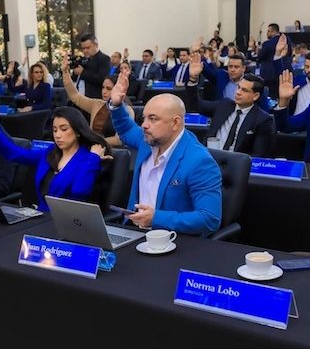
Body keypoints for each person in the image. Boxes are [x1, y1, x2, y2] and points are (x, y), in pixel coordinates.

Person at [108, 69, 222, 235]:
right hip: (134, 232)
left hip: (172, 240)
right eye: (144, 118)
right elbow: (127, 130)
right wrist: (116, 104)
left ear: (175, 123)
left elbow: (209, 219)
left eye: (153, 119)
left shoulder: (199, 161)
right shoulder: (148, 140)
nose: (144, 125)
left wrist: (156, 218)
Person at [0, 96, 108, 211]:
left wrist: (94, 158)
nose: (58, 135)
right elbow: (15, 153)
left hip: (68, 220)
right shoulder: (50, 153)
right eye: (55, 130)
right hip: (41, 215)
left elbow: (79, 191)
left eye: (64, 129)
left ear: (78, 131)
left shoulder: (88, 158)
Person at [185, 56, 274, 157]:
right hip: (209, 158)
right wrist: (193, 79)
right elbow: (195, 105)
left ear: (256, 96)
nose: (238, 92)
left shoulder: (262, 120)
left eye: (244, 90)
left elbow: (258, 155)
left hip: (236, 163)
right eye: (238, 87)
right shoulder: (224, 105)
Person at [61, 54, 135, 147]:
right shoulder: (97, 104)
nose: (104, 91)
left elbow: (120, 139)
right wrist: (65, 72)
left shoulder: (127, 110)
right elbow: (75, 96)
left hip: (114, 151)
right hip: (93, 147)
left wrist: (95, 141)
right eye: (103, 87)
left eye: (108, 89)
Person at [73, 33, 111, 99]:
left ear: (96, 45)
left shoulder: (104, 58)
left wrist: (82, 73)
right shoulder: (84, 60)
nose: (85, 51)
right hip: (82, 97)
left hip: (96, 99)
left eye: (88, 48)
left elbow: (102, 80)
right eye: (83, 48)